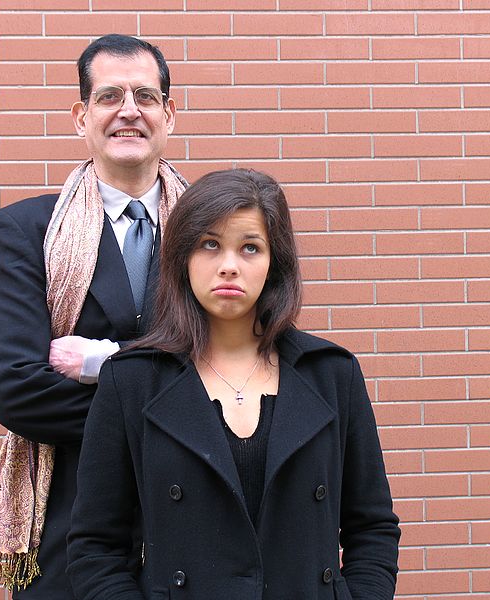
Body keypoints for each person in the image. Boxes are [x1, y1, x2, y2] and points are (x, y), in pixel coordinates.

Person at [67, 169, 401, 599]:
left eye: (250, 248)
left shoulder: (332, 375)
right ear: (183, 258)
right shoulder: (132, 381)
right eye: (210, 244)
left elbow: (372, 526)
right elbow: (97, 548)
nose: (229, 266)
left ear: (273, 262)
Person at [0, 34, 186, 598]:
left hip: (201, 521)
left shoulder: (215, 230)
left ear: (169, 113)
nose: (129, 110)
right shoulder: (28, 231)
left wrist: (105, 362)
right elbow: (18, 393)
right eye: (109, 96)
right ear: (81, 117)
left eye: (146, 95)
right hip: (72, 528)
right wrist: (181, 406)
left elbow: (243, 364)